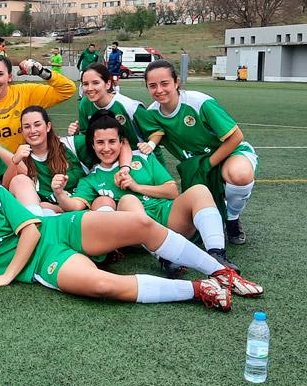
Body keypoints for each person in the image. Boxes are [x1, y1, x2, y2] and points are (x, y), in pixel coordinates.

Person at [0, 152, 262, 311]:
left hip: (55, 230)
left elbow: (32, 232)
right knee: (102, 286)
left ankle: (221, 271)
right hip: (41, 263)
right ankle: (199, 289)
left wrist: (6, 275)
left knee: (139, 223)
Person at [55, 110, 239, 271]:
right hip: (137, 233)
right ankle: (163, 255)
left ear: (121, 142)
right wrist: (60, 193)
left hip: (168, 218)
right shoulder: (91, 179)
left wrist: (136, 186)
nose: (106, 148)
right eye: (100, 143)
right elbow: (75, 205)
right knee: (128, 200)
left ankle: (217, 254)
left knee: (199, 190)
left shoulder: (143, 158)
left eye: (112, 141)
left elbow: (172, 191)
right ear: (93, 145)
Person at [137, 60, 258, 245]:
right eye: (152, 86)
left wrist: (207, 165)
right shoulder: (151, 114)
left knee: (240, 175)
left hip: (229, 153)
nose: (159, 90)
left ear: (176, 83)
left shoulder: (199, 102)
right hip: (194, 164)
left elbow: (236, 137)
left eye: (164, 83)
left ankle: (232, 218)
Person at [0, 54, 75, 153]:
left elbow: (68, 90)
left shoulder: (25, 92)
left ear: (9, 77)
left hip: (25, 164)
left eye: (0, 74)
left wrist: (42, 73)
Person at [68, 63, 165, 166]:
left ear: (108, 84)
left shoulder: (128, 106)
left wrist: (150, 145)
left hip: (141, 158)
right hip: (112, 160)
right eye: (85, 84)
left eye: (95, 83)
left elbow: (157, 131)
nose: (90, 88)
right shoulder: (85, 104)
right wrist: (76, 132)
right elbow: (87, 135)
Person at [2, 106, 92, 216]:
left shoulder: (72, 144)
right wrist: (14, 161)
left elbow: (104, 154)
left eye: (37, 125)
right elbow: (7, 188)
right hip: (46, 214)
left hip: (81, 211)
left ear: (48, 126)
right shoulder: (22, 156)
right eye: (27, 127)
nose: (32, 131)